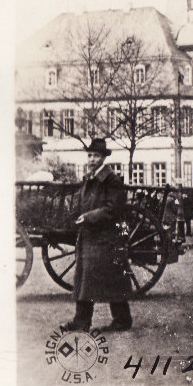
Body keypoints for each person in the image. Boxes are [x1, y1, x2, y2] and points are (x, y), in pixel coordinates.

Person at [63, 138, 133, 332]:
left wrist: (88, 217)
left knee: (106, 278)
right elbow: (83, 202)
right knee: (91, 277)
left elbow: (113, 209)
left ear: (103, 158)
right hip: (91, 236)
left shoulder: (111, 180)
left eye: (96, 156)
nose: (92, 159)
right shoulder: (90, 178)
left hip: (106, 237)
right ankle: (86, 320)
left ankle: (118, 319)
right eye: (90, 155)